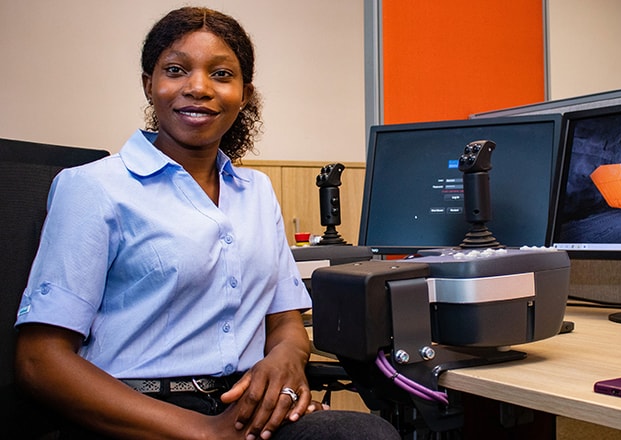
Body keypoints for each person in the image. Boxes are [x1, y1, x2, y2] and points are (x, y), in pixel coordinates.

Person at [14, 7, 400, 440]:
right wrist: (205, 432)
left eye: (221, 74)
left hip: (240, 408)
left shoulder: (256, 191)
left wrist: (285, 362)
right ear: (149, 84)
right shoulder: (93, 187)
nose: (198, 87)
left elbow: (285, 321)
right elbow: (39, 361)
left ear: (244, 93)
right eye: (176, 70)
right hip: (140, 414)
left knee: (364, 433)